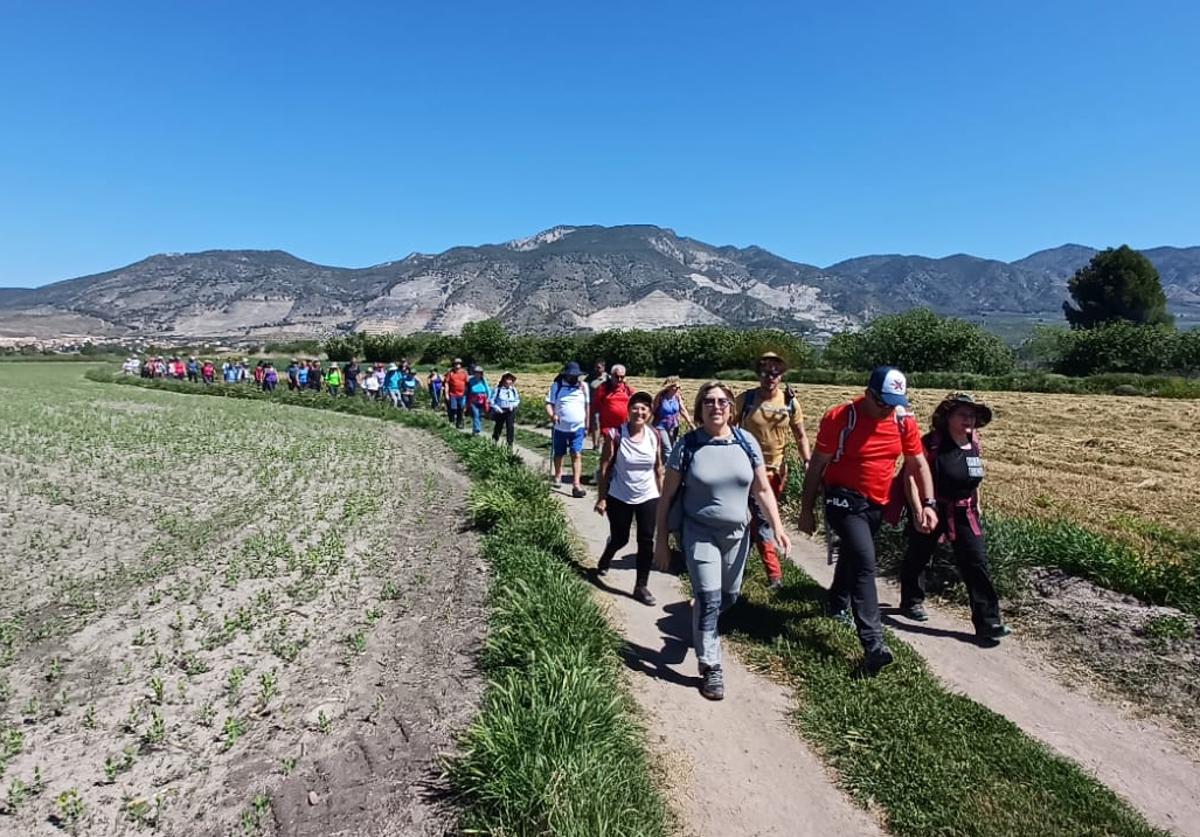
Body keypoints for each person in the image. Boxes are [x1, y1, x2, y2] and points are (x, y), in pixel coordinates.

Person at [653, 381, 791, 700]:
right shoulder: (687, 446)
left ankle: (701, 613)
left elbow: (762, 489)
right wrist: (661, 541)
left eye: (722, 402)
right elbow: (667, 496)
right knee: (712, 600)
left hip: (737, 535)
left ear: (731, 407)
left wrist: (777, 526)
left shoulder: (746, 443)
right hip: (698, 532)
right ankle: (711, 666)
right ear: (700, 409)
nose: (716, 407)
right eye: (709, 402)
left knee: (729, 597)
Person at [797, 366, 937, 674]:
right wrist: (807, 509)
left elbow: (917, 465)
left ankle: (836, 600)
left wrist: (928, 504)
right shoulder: (840, 418)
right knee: (864, 561)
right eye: (882, 401)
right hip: (841, 496)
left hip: (876, 500)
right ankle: (873, 644)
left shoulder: (903, 420)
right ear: (868, 392)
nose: (887, 407)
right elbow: (817, 465)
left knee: (853, 553)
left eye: (893, 401)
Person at [898, 393, 1010, 641]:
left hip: (965, 511)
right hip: (933, 508)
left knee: (976, 563)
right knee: (919, 555)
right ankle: (911, 601)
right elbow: (911, 476)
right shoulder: (932, 443)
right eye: (963, 414)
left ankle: (988, 622)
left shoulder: (973, 442)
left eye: (972, 415)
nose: (968, 420)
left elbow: (974, 476)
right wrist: (918, 510)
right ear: (947, 416)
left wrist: (977, 503)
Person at [732, 351, 812, 590]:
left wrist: (807, 460)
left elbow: (800, 435)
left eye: (776, 374)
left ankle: (740, 567)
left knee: (758, 520)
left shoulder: (789, 403)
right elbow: (727, 428)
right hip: (743, 469)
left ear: (782, 375)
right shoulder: (745, 400)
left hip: (775, 472)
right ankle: (773, 574)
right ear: (759, 375)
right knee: (758, 520)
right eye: (766, 373)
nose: (770, 378)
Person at [595, 391, 664, 606]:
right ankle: (608, 555)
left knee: (646, 541)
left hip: (648, 495)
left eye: (644, 408)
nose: (639, 411)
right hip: (619, 496)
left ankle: (640, 586)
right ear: (629, 410)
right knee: (621, 538)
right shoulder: (616, 435)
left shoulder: (655, 436)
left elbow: (658, 468)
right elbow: (605, 468)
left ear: (650, 413)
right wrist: (602, 497)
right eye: (635, 407)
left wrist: (663, 499)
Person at [545, 362, 591, 498]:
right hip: (560, 428)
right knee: (559, 454)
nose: (574, 378)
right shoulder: (557, 386)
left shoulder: (583, 387)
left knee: (576, 454)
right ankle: (558, 475)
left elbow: (587, 406)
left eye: (576, 375)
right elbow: (548, 404)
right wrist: (552, 415)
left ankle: (576, 485)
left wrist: (587, 424)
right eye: (572, 375)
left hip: (578, 427)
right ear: (566, 375)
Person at [591, 364, 633, 481]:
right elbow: (595, 407)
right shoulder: (604, 389)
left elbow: (634, 404)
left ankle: (615, 475)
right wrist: (594, 425)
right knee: (610, 453)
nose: (619, 379)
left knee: (622, 453)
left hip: (624, 427)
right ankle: (603, 475)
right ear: (611, 376)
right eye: (616, 376)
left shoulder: (628, 390)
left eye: (622, 377)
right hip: (608, 428)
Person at [651, 375, 693, 456]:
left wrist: (690, 424)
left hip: (674, 426)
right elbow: (653, 410)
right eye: (676, 387)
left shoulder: (677, 397)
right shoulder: (660, 397)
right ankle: (667, 468)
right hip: (661, 426)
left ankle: (666, 466)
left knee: (673, 448)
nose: (678, 388)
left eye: (679, 387)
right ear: (670, 387)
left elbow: (682, 410)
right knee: (668, 450)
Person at [489, 372, 521, 448]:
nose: (509, 381)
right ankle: (494, 441)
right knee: (498, 426)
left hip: (510, 411)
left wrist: (513, 405)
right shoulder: (498, 389)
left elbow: (517, 399)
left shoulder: (513, 389)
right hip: (500, 411)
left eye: (510, 380)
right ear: (503, 380)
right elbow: (492, 401)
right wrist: (497, 408)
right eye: (507, 379)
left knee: (510, 427)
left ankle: (509, 444)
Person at [585, 360, 609, 449]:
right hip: (595, 403)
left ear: (603, 368)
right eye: (596, 367)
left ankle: (606, 442)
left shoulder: (608, 378)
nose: (597, 369)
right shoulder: (591, 377)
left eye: (599, 367)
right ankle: (596, 444)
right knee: (596, 423)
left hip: (606, 404)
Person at [445, 359, 469, 429]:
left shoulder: (464, 372)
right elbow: (447, 383)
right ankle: (453, 420)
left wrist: (467, 392)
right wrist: (446, 393)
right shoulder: (451, 373)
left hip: (462, 394)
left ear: (461, 364)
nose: (457, 365)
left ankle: (460, 423)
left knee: (461, 409)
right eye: (456, 363)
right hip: (453, 394)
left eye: (459, 363)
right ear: (454, 364)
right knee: (454, 408)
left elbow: (467, 383)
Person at [467, 366, 490, 435]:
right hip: (474, 399)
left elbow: (488, 389)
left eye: (479, 373)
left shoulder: (483, 380)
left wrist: (488, 398)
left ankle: (474, 431)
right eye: (476, 373)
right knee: (475, 414)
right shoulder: (471, 380)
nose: (477, 374)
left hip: (482, 399)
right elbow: (468, 390)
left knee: (480, 415)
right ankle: (477, 428)